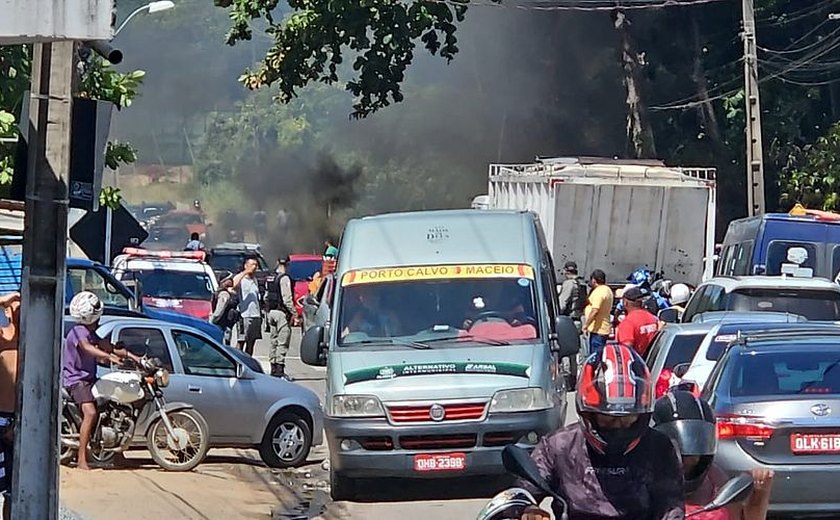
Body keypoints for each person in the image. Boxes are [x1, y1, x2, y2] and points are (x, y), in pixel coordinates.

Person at [519, 344, 684, 520]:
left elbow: (671, 506)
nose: (619, 426)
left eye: (628, 418)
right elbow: (521, 492)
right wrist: (528, 509)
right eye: (608, 418)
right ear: (588, 413)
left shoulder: (660, 448)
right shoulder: (559, 446)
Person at [652, 391, 774, 520]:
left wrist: (760, 493)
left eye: (695, 455)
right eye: (681, 456)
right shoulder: (641, 481)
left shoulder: (715, 479)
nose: (689, 459)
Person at [63, 292, 138, 470]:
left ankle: (118, 454)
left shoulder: (91, 333)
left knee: (115, 406)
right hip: (76, 380)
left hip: (89, 379)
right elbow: (87, 348)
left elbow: (109, 347)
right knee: (90, 413)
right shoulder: (78, 331)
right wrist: (108, 357)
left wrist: (136, 358)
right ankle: (82, 459)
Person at [0, 292, 20, 518]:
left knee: (14, 491)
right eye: (14, 307)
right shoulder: (2, 336)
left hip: (20, 423)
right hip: (0, 418)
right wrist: (4, 300)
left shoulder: (33, 341)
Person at [266, 257, 295, 379]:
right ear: (287, 264)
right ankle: (279, 370)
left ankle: (273, 368)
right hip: (281, 313)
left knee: (273, 341)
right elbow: (286, 298)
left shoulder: (270, 277)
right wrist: (294, 312)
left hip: (270, 312)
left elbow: (266, 296)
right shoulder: (284, 278)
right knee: (282, 342)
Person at [615, 286, 660, 357]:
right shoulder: (652, 318)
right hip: (653, 362)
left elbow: (626, 350)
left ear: (625, 303)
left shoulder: (627, 323)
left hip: (638, 364)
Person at [233, 257, 262, 355]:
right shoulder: (242, 279)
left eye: (256, 265)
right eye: (252, 264)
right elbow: (233, 284)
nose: (254, 267)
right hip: (244, 315)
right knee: (241, 341)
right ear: (246, 265)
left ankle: (248, 362)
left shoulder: (255, 280)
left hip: (256, 315)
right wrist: (245, 272)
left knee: (251, 342)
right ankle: (237, 360)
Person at [583, 269, 613, 356]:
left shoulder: (599, 292)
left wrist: (586, 325)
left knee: (594, 357)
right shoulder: (607, 290)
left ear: (594, 280)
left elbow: (595, 310)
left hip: (598, 330)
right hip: (603, 328)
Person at [210, 275, 239, 345]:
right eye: (229, 279)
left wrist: (212, 321)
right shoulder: (225, 293)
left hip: (225, 325)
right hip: (224, 325)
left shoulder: (225, 294)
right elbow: (218, 311)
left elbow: (218, 312)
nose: (231, 281)